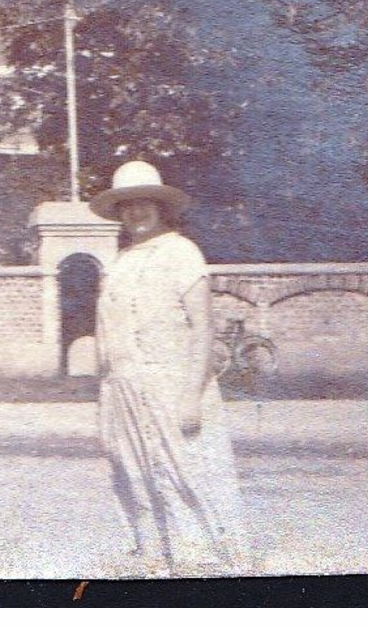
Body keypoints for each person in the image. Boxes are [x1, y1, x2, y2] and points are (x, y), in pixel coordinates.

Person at [90, 159, 252, 575]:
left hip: (172, 382)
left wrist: (192, 395)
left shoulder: (182, 252)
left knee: (187, 469)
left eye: (143, 203)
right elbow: (108, 332)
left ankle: (207, 559)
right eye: (126, 205)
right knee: (134, 470)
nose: (135, 212)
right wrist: (106, 392)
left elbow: (203, 329)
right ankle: (153, 555)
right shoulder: (119, 261)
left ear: (161, 207)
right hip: (123, 387)